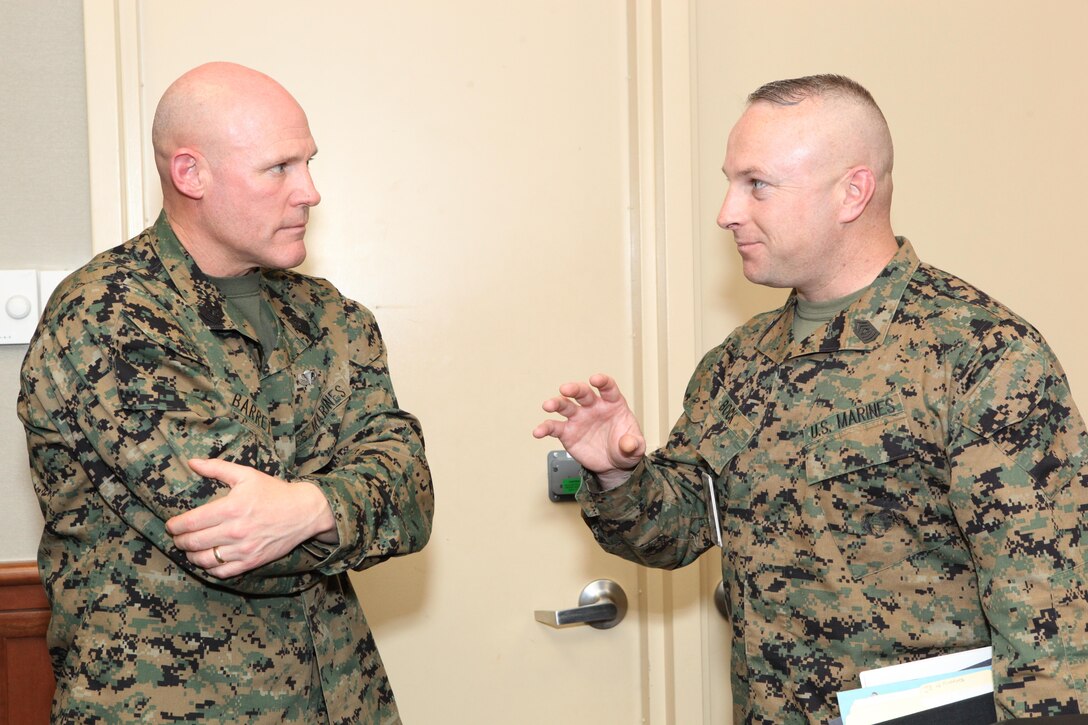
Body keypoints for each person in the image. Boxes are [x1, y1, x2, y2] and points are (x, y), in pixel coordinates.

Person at [534, 74, 1088, 722]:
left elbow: (1049, 625)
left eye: (757, 184)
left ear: (852, 191)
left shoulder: (979, 354)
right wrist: (620, 472)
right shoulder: (738, 362)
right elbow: (678, 532)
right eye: (730, 181)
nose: (727, 211)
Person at [18, 62, 433, 724]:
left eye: (309, 163)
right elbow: (224, 534)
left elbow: (412, 494)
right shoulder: (109, 315)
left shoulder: (329, 315)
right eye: (279, 168)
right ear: (191, 174)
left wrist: (305, 505)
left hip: (342, 701)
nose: (310, 192)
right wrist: (347, 502)